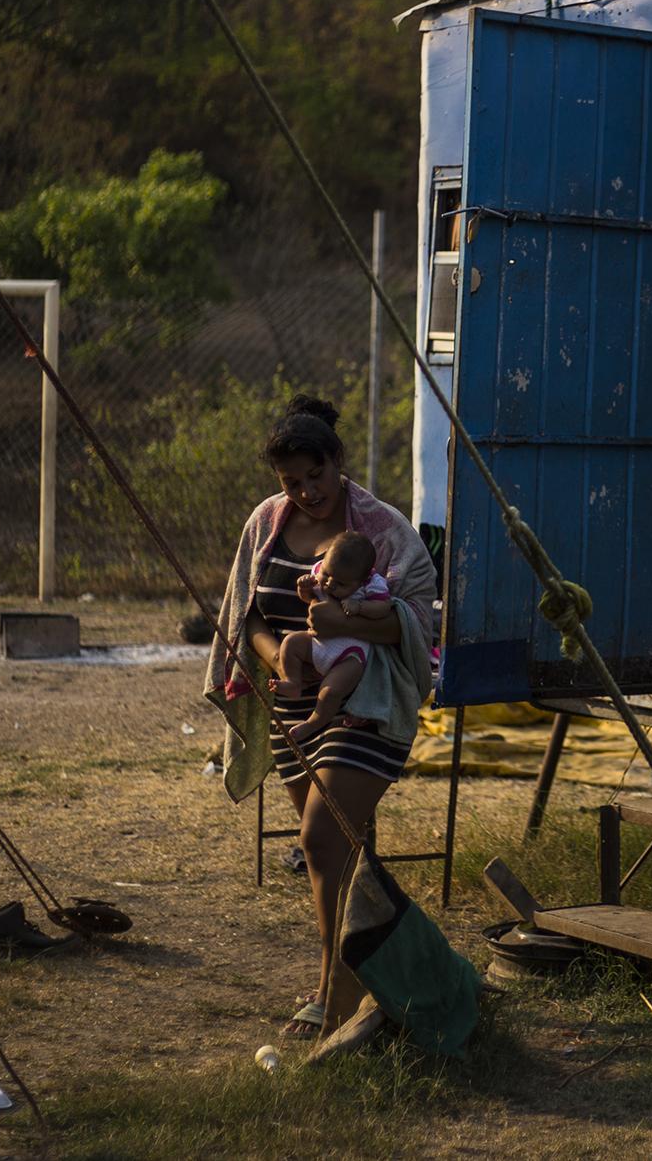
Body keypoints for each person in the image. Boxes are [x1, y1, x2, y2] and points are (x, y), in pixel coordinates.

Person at [202, 395, 436, 1040]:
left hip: (367, 701)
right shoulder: (267, 523)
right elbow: (244, 610)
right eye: (291, 482)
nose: (306, 492)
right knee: (338, 849)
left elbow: (422, 621)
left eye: (316, 476)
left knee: (320, 839)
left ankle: (338, 994)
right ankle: (361, 977)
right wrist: (281, 659)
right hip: (290, 705)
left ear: (339, 462)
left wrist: (345, 622)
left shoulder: (384, 531)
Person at [273, 530, 394, 743]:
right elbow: (309, 597)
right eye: (327, 576)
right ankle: (293, 681)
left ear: (362, 579)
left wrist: (360, 606)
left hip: (349, 654)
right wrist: (304, 589)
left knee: (329, 692)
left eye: (341, 584)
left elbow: (383, 608)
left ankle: (314, 722)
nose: (329, 584)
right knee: (291, 643)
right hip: (317, 642)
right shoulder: (321, 571)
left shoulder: (371, 585)